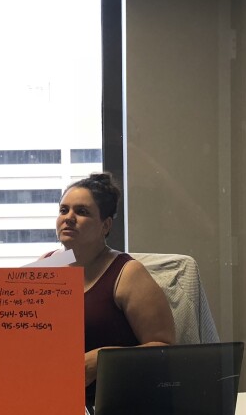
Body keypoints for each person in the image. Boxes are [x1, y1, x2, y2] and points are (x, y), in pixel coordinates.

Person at [49, 172, 175, 402]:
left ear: (105, 225)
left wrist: (106, 360)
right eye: (63, 210)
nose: (69, 218)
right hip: (53, 397)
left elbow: (165, 349)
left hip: (111, 406)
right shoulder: (47, 264)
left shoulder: (128, 273)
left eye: (82, 211)